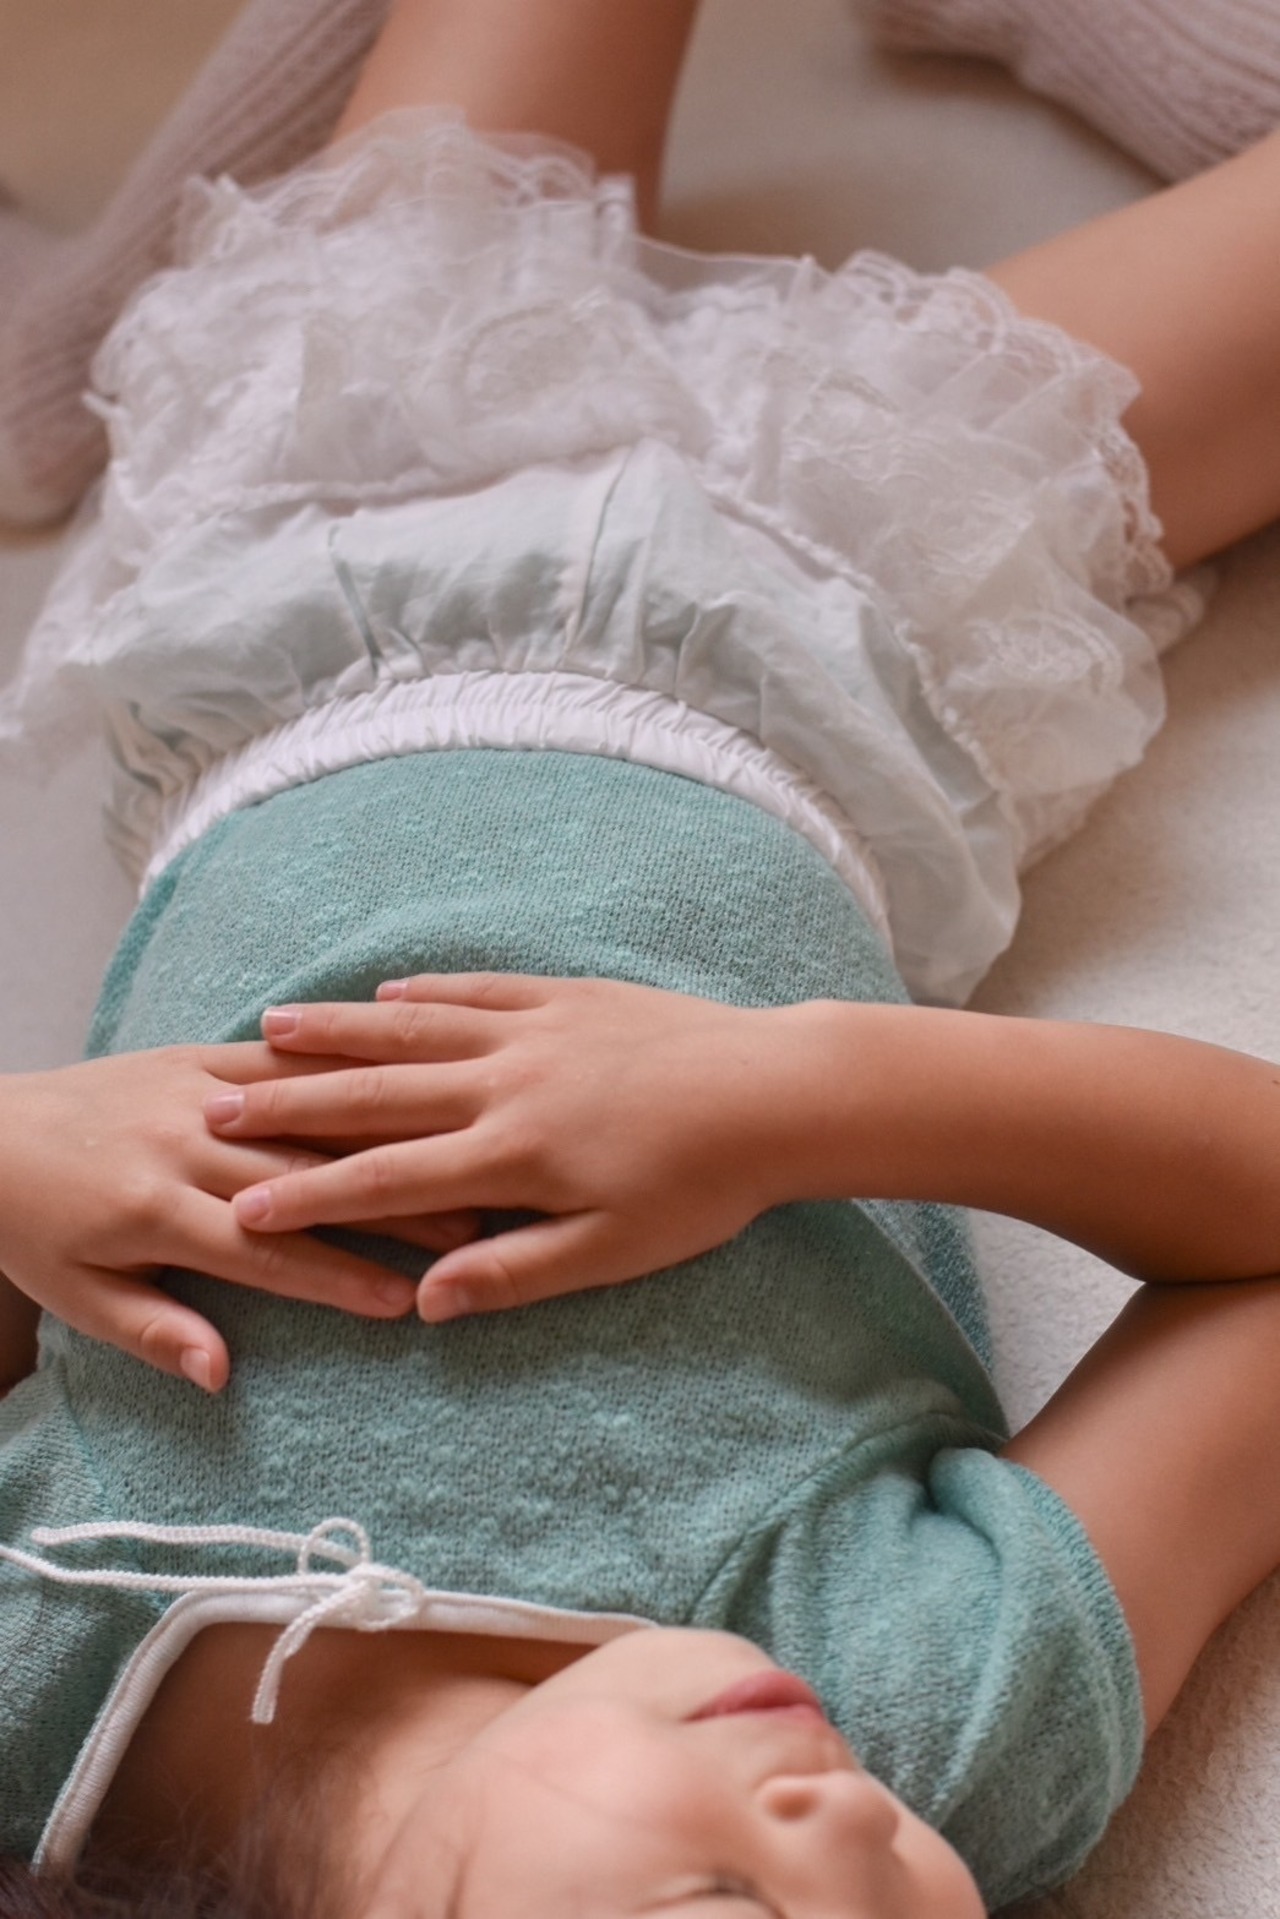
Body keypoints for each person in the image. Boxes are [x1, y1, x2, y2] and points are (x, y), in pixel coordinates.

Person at [6, 1, 1280, 1911]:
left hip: (324, 565)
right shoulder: (931, 1724)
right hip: (843, 608)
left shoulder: (41, 1684)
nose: (848, 1834)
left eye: (726, 1913)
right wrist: (781, 1099)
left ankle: (76, 348)